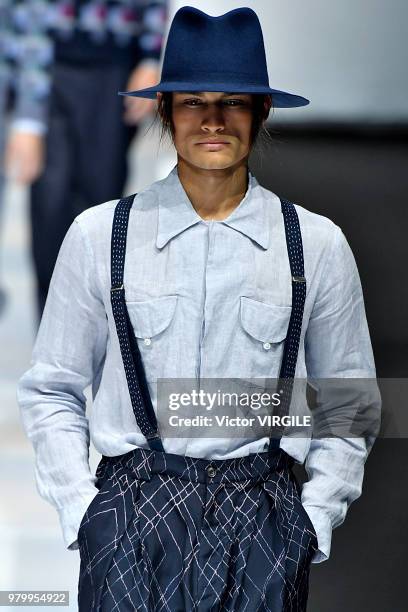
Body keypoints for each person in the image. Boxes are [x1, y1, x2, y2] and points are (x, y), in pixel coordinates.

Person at [17, 6, 381, 611]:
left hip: (262, 515)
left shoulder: (315, 245)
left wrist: (313, 519)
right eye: (192, 101)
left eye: (233, 101)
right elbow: (52, 387)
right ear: (165, 110)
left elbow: (350, 401)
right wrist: (84, 512)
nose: (213, 120)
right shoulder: (98, 236)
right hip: (130, 512)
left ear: (261, 111)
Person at [4, 0, 168, 324]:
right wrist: (27, 117)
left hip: (117, 63)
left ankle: (96, 338)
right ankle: (52, 341)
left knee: (103, 205)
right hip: (52, 63)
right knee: (50, 207)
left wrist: (151, 57)